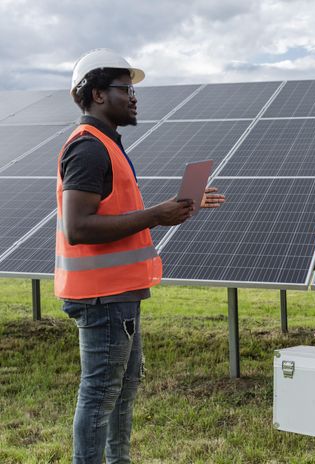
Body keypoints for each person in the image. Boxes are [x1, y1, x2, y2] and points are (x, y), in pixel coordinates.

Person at [55, 48, 224, 464]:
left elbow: (118, 214)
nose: (133, 96)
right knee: (100, 395)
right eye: (124, 88)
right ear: (96, 94)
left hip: (118, 295)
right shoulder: (89, 148)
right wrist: (155, 215)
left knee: (121, 391)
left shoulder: (106, 146)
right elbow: (79, 227)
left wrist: (177, 207)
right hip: (102, 298)